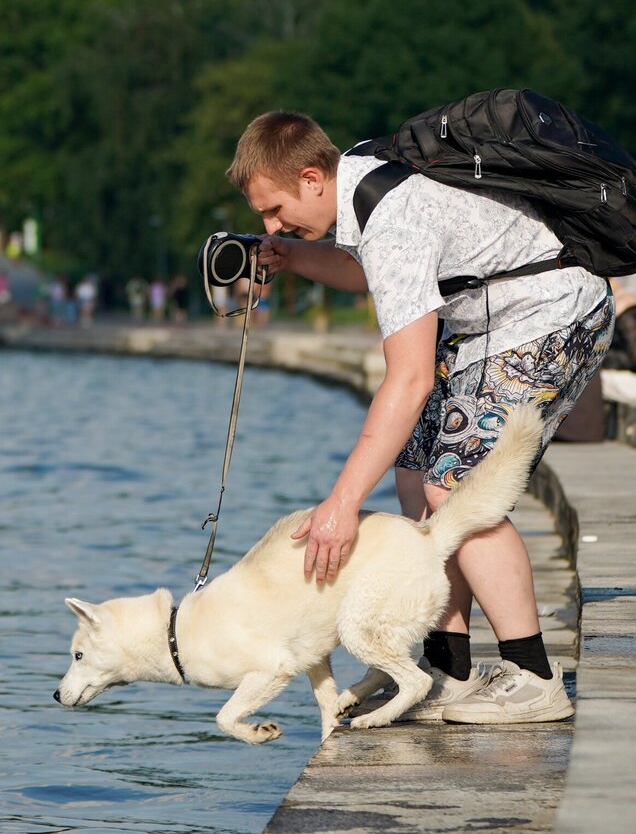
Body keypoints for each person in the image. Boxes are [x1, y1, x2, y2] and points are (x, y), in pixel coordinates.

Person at [232, 110, 614, 724]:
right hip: (492, 328)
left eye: (276, 213)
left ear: (311, 177)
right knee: (414, 475)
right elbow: (374, 275)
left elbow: (407, 379)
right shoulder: (363, 179)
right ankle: (452, 673)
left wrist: (341, 503)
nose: (275, 226)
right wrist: (293, 256)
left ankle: (535, 677)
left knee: (454, 487)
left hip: (551, 316)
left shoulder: (392, 218)